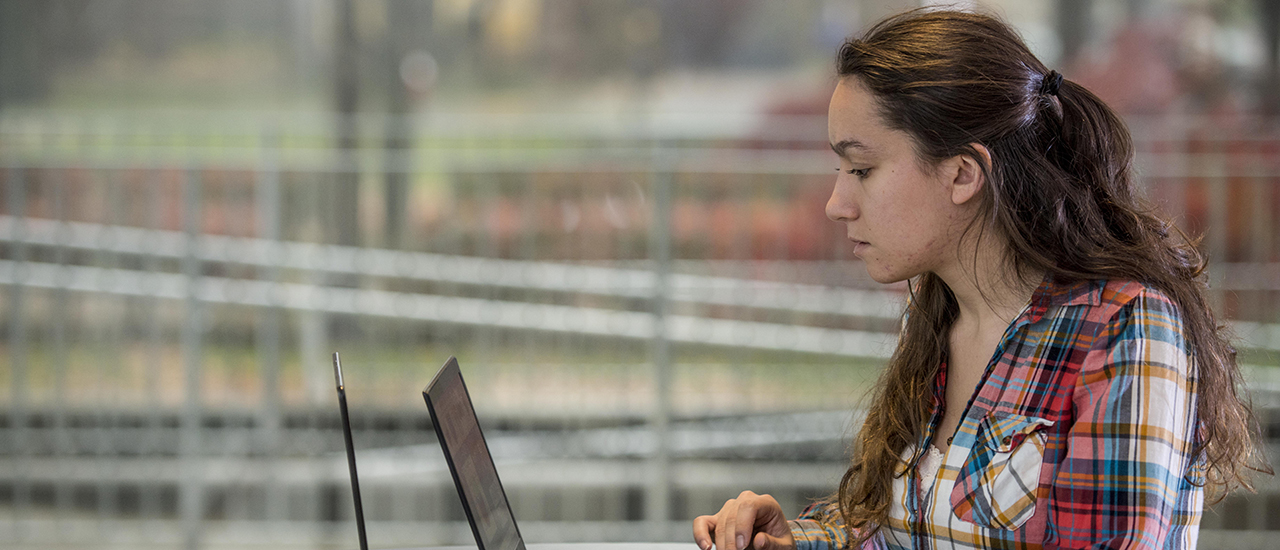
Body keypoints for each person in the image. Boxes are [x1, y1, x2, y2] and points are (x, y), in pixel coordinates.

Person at [692, 8, 1271, 550]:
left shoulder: (1127, 329)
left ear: (964, 173)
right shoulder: (939, 319)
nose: (837, 204)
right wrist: (798, 541)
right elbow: (904, 529)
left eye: (862, 169)